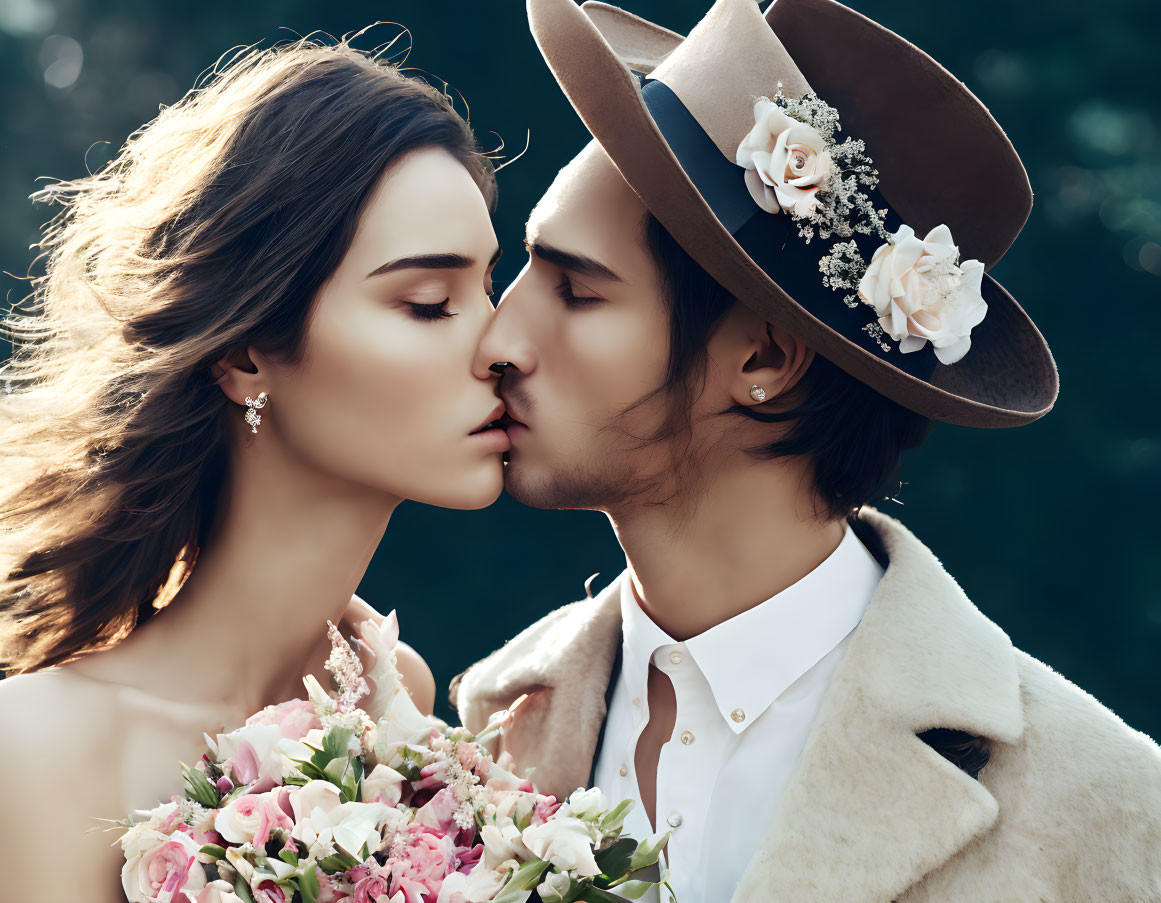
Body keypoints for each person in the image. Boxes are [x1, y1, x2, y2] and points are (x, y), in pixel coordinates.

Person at [453, 0, 1161, 900]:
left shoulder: (1099, 803)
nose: (495, 340)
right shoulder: (487, 720)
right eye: (521, 270)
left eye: (575, 290)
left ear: (761, 358)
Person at [0, 36, 510, 900]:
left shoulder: (395, 692)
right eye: (429, 304)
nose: (499, 343)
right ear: (245, 355)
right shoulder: (41, 747)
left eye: (489, 288)